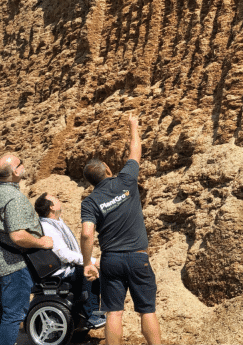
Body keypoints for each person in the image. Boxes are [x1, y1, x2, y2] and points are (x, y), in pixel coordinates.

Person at [80, 114, 162, 345]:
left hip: (111, 260)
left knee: (114, 312)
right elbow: (135, 152)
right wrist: (133, 126)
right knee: (147, 310)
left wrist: (87, 262)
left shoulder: (90, 201)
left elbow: (87, 233)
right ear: (107, 168)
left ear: (90, 182)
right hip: (138, 257)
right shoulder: (126, 179)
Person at [0, 153, 54, 345]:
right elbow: (18, 235)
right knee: (12, 316)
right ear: (14, 171)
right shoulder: (15, 198)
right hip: (14, 266)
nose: (23, 166)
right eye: (21, 163)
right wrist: (42, 243)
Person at [34, 192, 106, 329]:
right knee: (90, 272)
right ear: (52, 207)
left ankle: (85, 314)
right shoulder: (47, 227)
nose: (58, 200)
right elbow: (64, 254)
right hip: (59, 271)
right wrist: (91, 261)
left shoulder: (57, 222)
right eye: (55, 199)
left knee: (90, 271)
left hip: (66, 266)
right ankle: (92, 315)